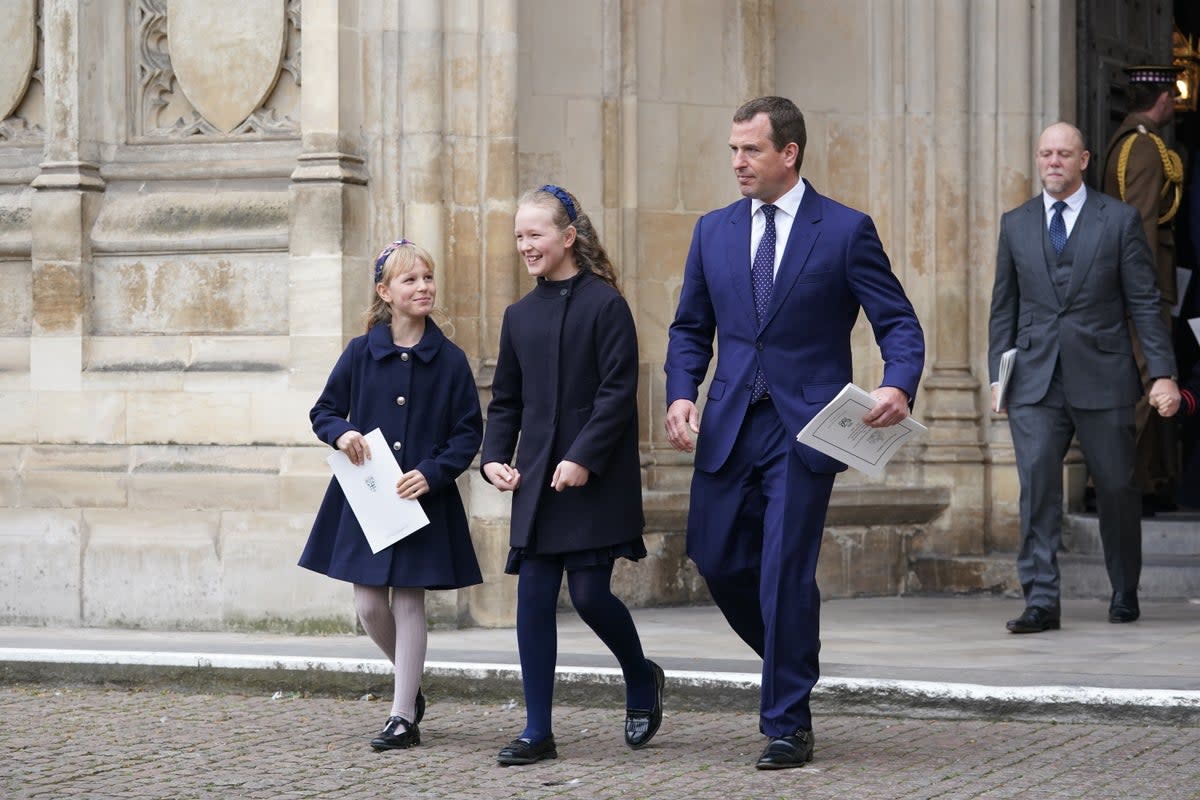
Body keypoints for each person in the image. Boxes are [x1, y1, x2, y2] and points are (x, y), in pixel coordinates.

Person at [663, 96, 925, 770]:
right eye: (732, 150)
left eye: (750, 149)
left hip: (805, 430)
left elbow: (897, 321)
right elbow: (690, 328)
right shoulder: (711, 231)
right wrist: (680, 395)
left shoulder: (843, 230)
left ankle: (786, 719)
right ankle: (794, 653)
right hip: (728, 422)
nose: (737, 162)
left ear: (789, 153)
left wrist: (898, 382)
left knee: (784, 568)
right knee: (714, 555)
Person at [481, 185, 664, 766]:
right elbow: (506, 400)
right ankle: (538, 730)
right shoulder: (518, 315)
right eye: (518, 236)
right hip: (537, 479)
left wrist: (584, 455)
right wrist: (492, 458)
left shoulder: (606, 305)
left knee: (588, 594)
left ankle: (641, 675)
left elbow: (618, 392)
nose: (525, 245)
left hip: (595, 476)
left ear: (567, 237)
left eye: (535, 234)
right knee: (533, 597)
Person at [989, 122, 1180, 634]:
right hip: (1034, 380)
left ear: (1084, 160)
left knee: (1117, 487)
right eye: (1046, 154)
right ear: (1038, 159)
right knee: (1037, 488)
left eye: (1064, 154)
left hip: (1104, 376)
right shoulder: (1016, 223)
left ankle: (1124, 589)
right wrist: (997, 376)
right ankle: (1041, 601)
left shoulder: (1118, 221)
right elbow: (1002, 308)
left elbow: (1145, 303)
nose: (1054, 162)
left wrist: (1160, 374)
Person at [299, 239, 484, 751]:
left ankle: (402, 715)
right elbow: (323, 410)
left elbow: (468, 432)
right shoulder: (361, 353)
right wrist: (341, 433)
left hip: (421, 499)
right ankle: (411, 684)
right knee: (367, 604)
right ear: (385, 292)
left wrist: (433, 471)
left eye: (428, 277)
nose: (423, 286)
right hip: (369, 499)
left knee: (408, 602)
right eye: (410, 280)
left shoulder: (449, 360)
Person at [1102, 65, 1186, 513]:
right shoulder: (1145, 148)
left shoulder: (1130, 141)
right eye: (1173, 96)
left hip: (1142, 283)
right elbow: (1139, 228)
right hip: (1143, 285)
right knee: (1146, 383)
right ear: (1163, 99)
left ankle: (1147, 481)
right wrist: (1143, 292)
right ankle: (1112, 481)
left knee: (1151, 382)